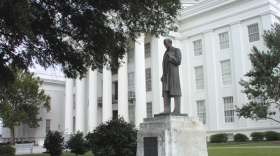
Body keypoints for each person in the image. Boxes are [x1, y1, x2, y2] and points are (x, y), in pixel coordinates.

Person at [161, 38, 181, 114]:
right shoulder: (165, 53)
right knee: (165, 92)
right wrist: (163, 75)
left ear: (170, 43)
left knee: (176, 91)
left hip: (173, 74)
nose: (165, 45)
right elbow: (165, 65)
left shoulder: (176, 50)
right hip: (166, 76)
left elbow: (178, 61)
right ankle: (166, 109)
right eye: (164, 44)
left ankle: (177, 109)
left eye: (166, 44)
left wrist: (171, 57)